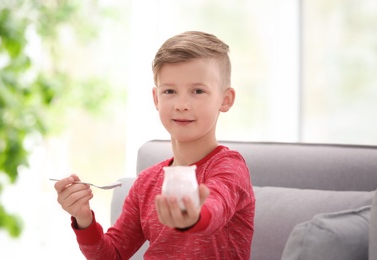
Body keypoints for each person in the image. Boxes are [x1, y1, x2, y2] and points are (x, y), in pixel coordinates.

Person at [53, 31, 255, 259]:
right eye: (170, 91)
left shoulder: (230, 167)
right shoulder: (146, 183)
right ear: (156, 99)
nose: (181, 104)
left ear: (225, 99)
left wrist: (195, 216)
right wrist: (84, 218)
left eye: (198, 91)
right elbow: (112, 254)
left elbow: (216, 205)